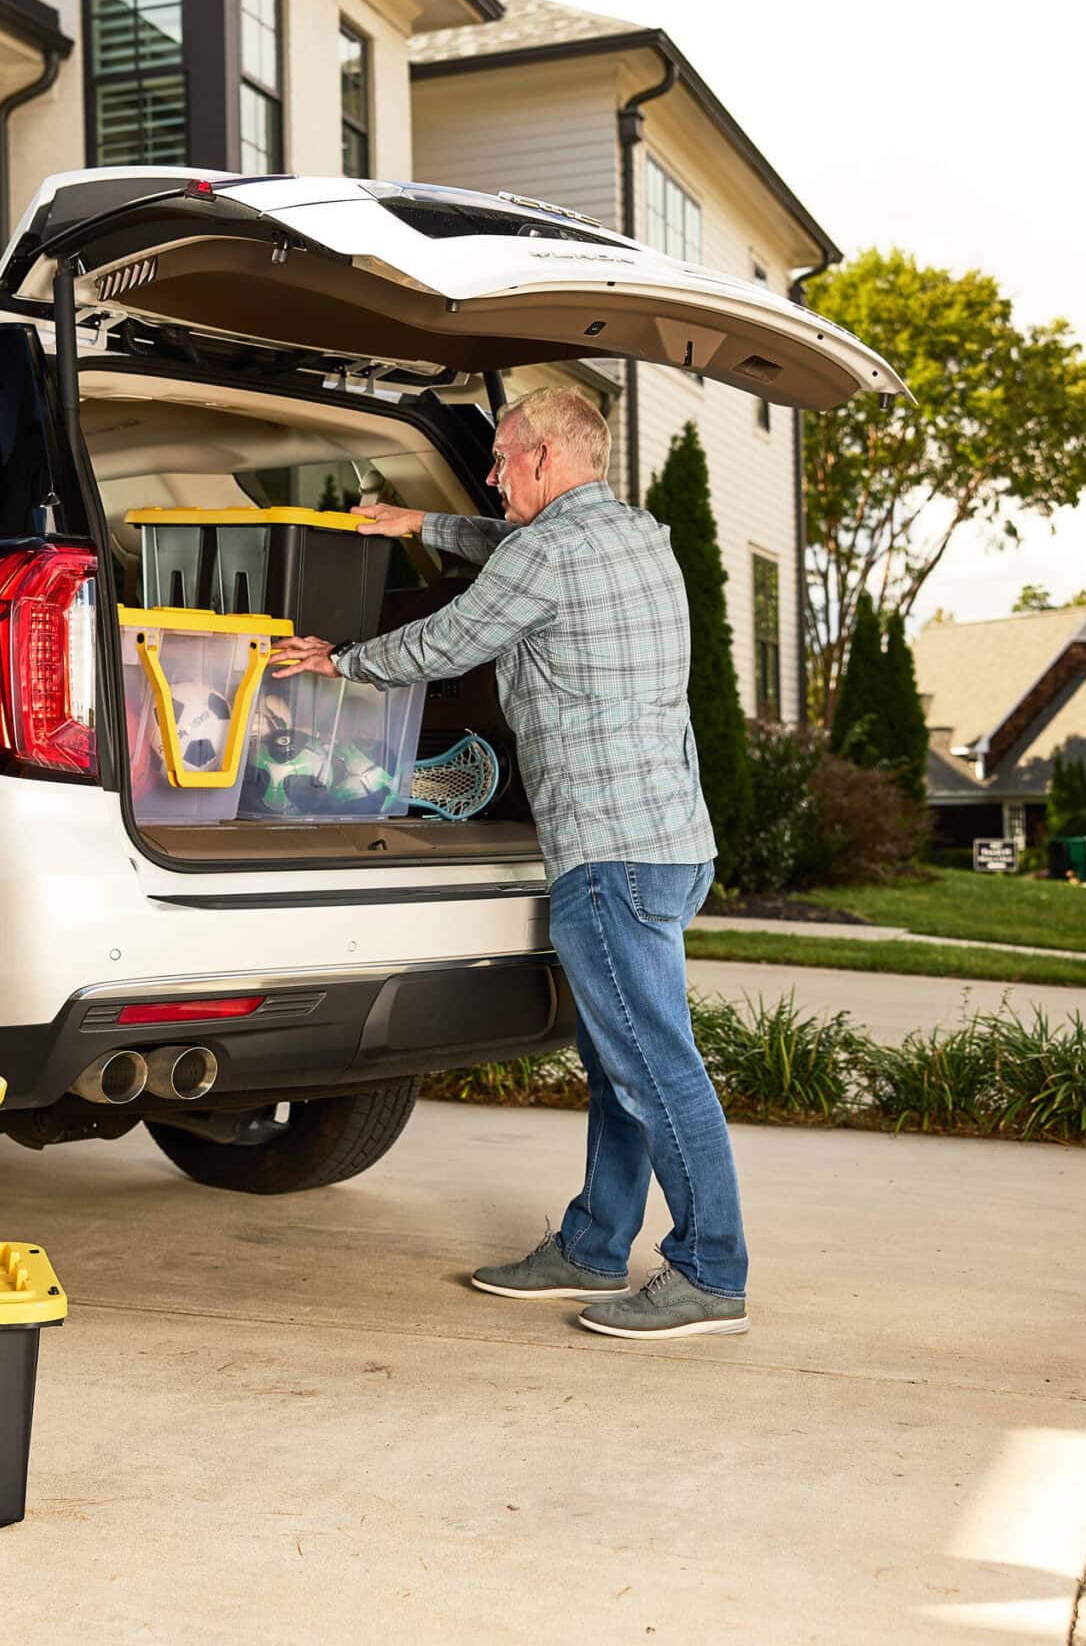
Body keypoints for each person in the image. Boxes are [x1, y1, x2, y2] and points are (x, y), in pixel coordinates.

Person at [268, 386, 749, 1340]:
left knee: (655, 1068)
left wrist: (340, 664)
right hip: (668, 844)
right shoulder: (631, 533)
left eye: (499, 460)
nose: (490, 476)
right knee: (625, 1064)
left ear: (543, 458)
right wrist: (423, 522)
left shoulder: (549, 552)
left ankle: (708, 1271)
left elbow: (450, 641)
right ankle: (594, 1245)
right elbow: (517, 551)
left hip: (608, 854)